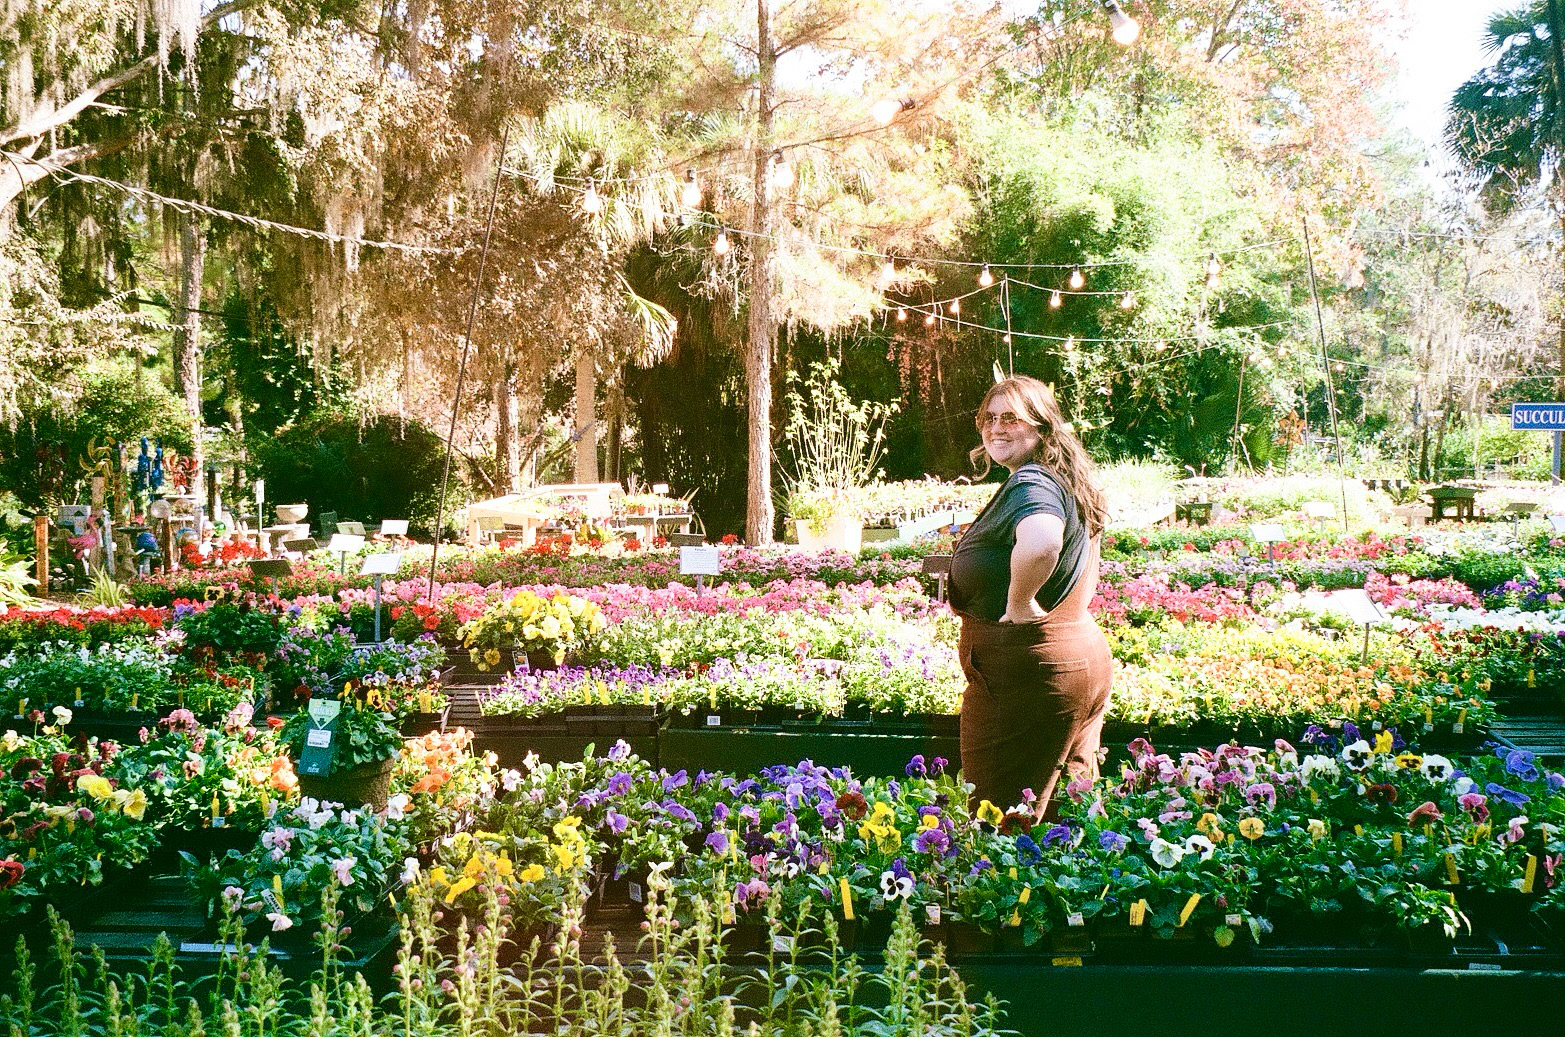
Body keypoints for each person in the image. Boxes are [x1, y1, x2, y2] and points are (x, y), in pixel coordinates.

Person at [949, 375, 1111, 821]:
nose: (996, 428)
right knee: (1067, 819)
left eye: (1011, 418)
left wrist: (1021, 603)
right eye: (989, 418)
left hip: (1029, 675)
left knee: (998, 818)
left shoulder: (1033, 482)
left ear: (1040, 426)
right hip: (1076, 657)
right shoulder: (1066, 479)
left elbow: (1041, 542)